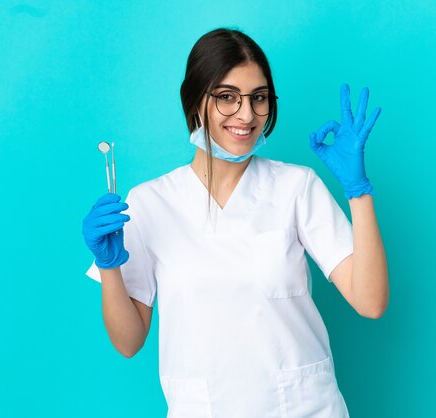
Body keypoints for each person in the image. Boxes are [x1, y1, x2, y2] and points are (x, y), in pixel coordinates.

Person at [82, 27, 389, 418]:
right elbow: (128, 342)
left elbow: (371, 301)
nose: (246, 114)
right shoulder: (149, 203)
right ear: (195, 102)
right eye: (227, 97)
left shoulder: (296, 187)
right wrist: (110, 269)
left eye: (258, 98)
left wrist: (358, 191)